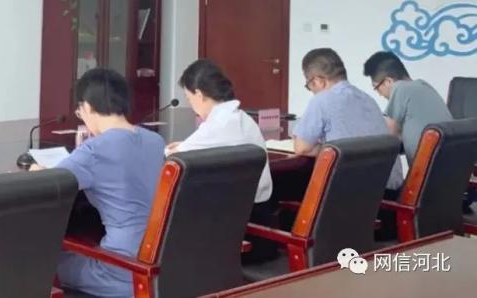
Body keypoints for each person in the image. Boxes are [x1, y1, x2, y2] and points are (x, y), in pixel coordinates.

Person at [32, 68, 165, 298]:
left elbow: (51, 187)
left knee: (44, 262)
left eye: (80, 111)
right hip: (161, 264)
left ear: (88, 107)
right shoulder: (156, 141)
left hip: (122, 270)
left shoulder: (94, 150)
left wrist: (36, 171)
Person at [167, 59, 276, 261]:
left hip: (229, 239)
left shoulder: (217, 125)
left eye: (189, 98)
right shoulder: (243, 119)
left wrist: (173, 149)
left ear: (199, 94)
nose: (191, 105)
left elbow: (176, 158)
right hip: (259, 227)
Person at [293, 48, 404, 191]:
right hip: (389, 191)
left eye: (309, 86)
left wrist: (331, 149)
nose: (312, 92)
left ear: (318, 81)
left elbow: (301, 147)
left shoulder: (322, 100)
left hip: (354, 195)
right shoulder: (367, 99)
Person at [363, 51, 453, 167]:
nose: (379, 94)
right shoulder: (423, 85)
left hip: (427, 173)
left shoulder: (400, 88)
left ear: (388, 81)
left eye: (377, 88)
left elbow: (388, 135)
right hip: (450, 168)